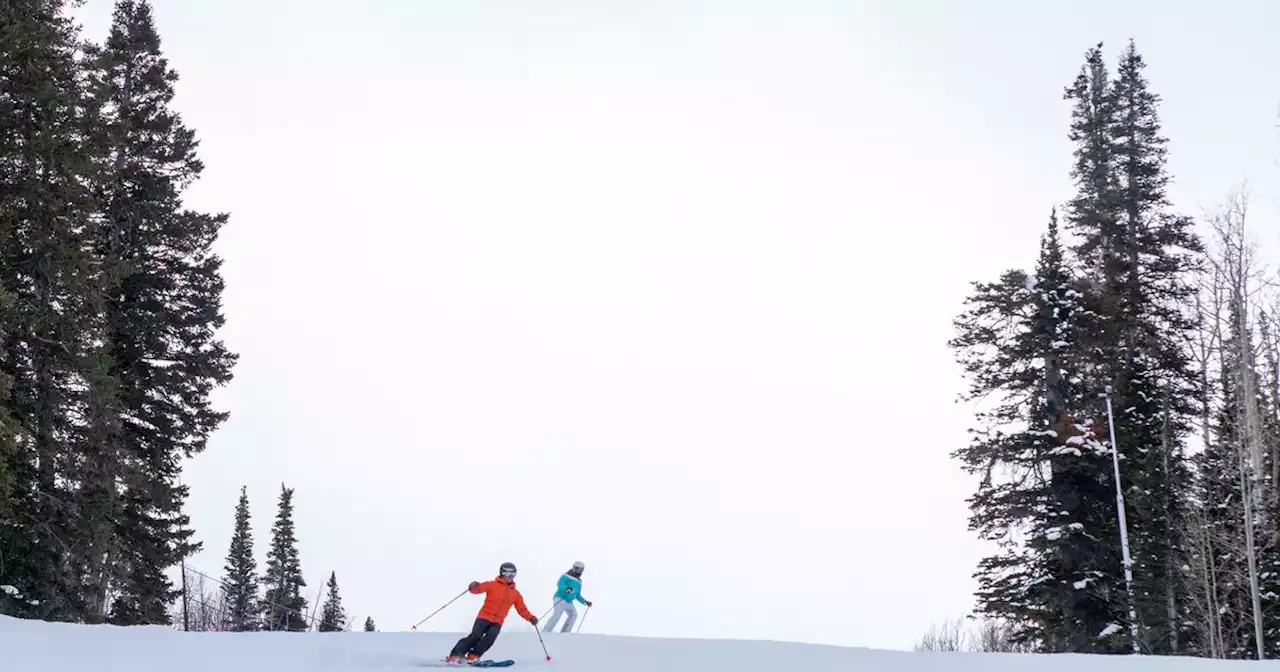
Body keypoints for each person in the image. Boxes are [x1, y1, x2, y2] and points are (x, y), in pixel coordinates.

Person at [446, 562, 538, 664]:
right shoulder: (492, 585)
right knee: (475, 636)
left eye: (513, 574)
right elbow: (478, 589)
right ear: (502, 573)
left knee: (490, 638)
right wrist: (474, 586)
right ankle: (456, 654)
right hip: (484, 617)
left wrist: (531, 618)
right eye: (507, 573)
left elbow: (522, 609)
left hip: (498, 621)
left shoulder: (515, 594)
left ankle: (473, 655)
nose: (510, 576)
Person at [542, 560, 592, 633]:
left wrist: (585, 602)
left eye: (581, 570)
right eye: (578, 569)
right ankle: (546, 631)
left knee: (573, 615)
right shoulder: (566, 576)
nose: (579, 572)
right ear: (574, 568)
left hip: (569, 601)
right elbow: (560, 584)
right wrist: (567, 589)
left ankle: (565, 632)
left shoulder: (579, 581)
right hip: (560, 598)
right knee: (557, 615)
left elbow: (577, 595)